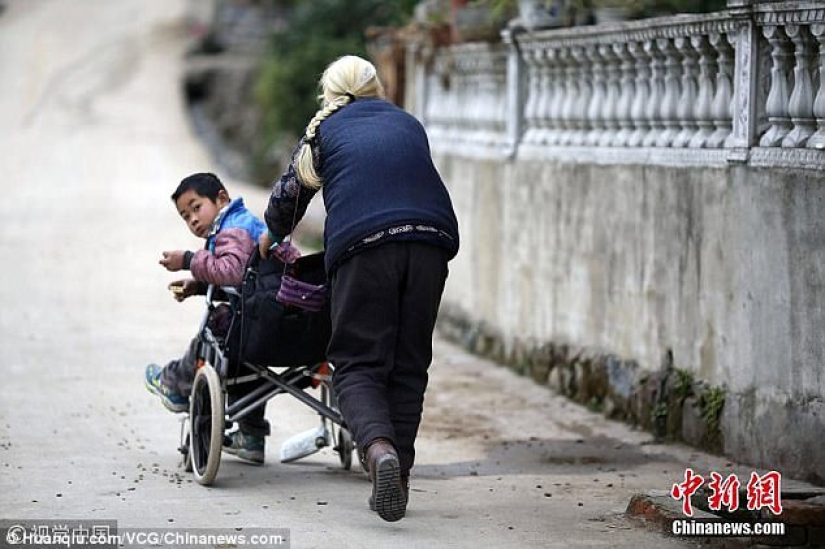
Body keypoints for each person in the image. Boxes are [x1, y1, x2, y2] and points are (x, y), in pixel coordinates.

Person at [259, 55, 459, 521]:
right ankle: (399, 477)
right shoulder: (408, 123)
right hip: (432, 242)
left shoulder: (324, 132)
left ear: (328, 93)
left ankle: (379, 452)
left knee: (356, 363)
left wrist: (267, 241)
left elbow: (288, 199)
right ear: (376, 88)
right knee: (408, 365)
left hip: (364, 246)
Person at [144, 172, 271, 464]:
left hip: (250, 322)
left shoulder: (233, 229)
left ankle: (175, 382)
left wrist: (188, 261)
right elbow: (245, 279)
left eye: (196, 208)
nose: (193, 220)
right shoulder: (249, 226)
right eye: (185, 217)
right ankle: (251, 436)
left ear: (221, 199)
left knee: (212, 334)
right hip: (276, 319)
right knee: (249, 367)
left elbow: (232, 272)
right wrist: (199, 285)